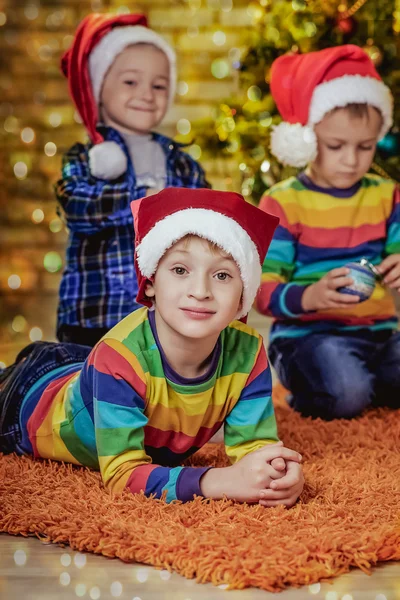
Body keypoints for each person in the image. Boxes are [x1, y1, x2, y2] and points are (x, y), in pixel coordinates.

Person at [0, 188, 304, 507]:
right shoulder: (118, 359)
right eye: (180, 270)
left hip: (87, 368)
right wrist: (219, 480)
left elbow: (256, 449)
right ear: (149, 283)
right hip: (29, 398)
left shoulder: (249, 352)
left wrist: (278, 475)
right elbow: (122, 474)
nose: (200, 291)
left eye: (222, 275)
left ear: (244, 294)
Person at [256, 44, 400, 421]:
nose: (351, 160)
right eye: (335, 146)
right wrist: (313, 296)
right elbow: (261, 290)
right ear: (304, 137)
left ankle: (371, 382)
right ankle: (323, 390)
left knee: (360, 383)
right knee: (347, 393)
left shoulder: (386, 195)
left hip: (381, 336)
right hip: (310, 340)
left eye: (365, 147)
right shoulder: (283, 202)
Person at [55, 13, 209, 347]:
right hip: (94, 316)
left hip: (162, 317)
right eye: (130, 82)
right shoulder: (87, 158)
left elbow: (208, 222)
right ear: (98, 89)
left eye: (158, 85)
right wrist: (146, 200)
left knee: (157, 391)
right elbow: (77, 207)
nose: (147, 94)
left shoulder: (182, 164)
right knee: (89, 392)